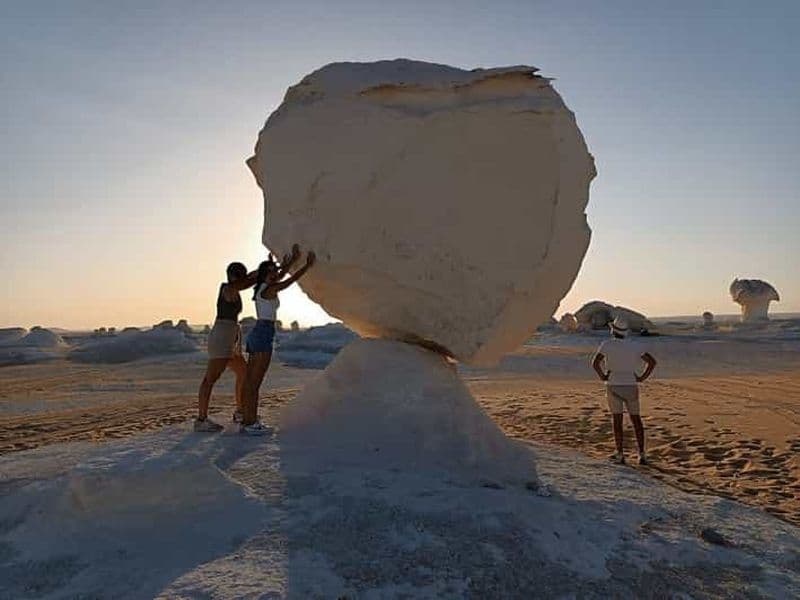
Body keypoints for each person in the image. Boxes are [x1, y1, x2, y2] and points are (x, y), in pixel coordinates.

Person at [240, 245, 316, 435]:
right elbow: (287, 281)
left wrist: (289, 262)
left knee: (250, 381)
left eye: (275, 271)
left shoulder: (263, 288)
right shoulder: (270, 289)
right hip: (264, 333)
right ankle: (250, 423)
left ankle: (247, 419)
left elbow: (280, 276)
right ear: (266, 274)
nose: (275, 273)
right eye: (272, 271)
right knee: (254, 382)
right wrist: (306, 267)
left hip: (258, 332)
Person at [195, 261, 255, 432]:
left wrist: (264, 270)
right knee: (210, 378)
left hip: (230, 338)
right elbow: (246, 283)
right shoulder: (227, 289)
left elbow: (249, 279)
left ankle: (240, 411)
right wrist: (256, 276)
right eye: (240, 276)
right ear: (232, 276)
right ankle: (201, 419)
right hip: (221, 337)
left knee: (244, 372)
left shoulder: (235, 287)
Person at [592, 316, 657, 465]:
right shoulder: (634, 345)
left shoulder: (607, 344)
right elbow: (652, 362)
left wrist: (603, 376)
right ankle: (642, 454)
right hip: (630, 383)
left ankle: (620, 454)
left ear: (613, 330)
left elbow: (595, 363)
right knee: (636, 419)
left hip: (613, 383)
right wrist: (641, 378)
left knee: (617, 420)